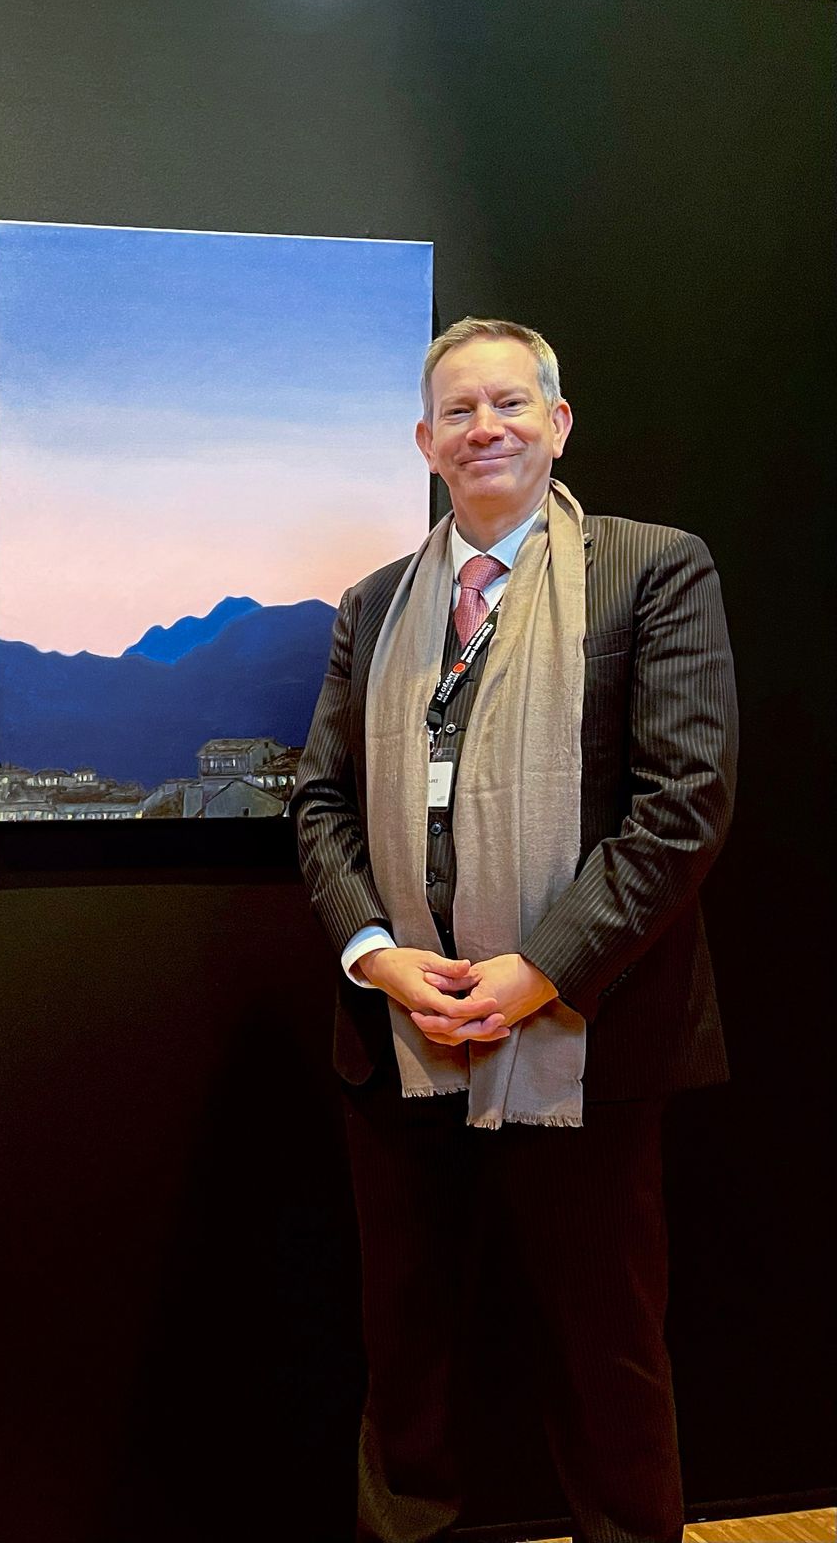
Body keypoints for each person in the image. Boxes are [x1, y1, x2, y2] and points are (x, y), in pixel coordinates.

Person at [294, 317, 737, 1543]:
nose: (484, 427)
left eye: (510, 403)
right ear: (425, 440)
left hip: (588, 1036)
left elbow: (685, 801)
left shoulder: (653, 571)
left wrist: (541, 968)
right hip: (403, 1037)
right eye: (459, 411)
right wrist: (379, 957)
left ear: (558, 423)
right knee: (408, 1363)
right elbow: (320, 802)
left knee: (608, 1363)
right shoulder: (375, 605)